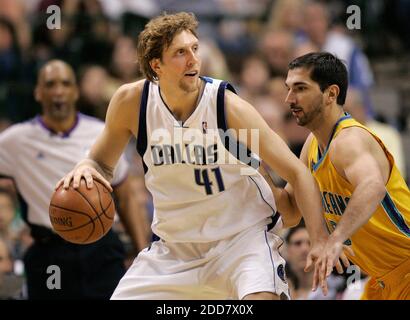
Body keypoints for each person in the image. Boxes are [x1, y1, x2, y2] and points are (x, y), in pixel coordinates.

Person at [58, 12, 338, 300]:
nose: (193, 59)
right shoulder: (131, 102)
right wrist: (85, 168)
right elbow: (100, 163)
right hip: (174, 250)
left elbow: (298, 174)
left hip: (241, 243)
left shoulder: (227, 106)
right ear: (157, 65)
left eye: (194, 48)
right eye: (180, 52)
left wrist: (318, 239)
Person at [0, 60, 150, 299]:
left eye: (65, 83)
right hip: (49, 251)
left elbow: (126, 197)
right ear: (38, 92)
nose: (58, 90)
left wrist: (143, 255)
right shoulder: (15, 140)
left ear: (75, 91)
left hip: (101, 249)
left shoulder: (102, 132)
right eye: (50, 84)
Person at [279, 52, 410, 299]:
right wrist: (254, 169)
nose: (289, 98)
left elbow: (373, 186)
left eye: (300, 88)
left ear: (331, 94)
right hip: (382, 279)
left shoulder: (349, 140)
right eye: (288, 88)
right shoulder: (312, 145)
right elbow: (289, 210)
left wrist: (335, 239)